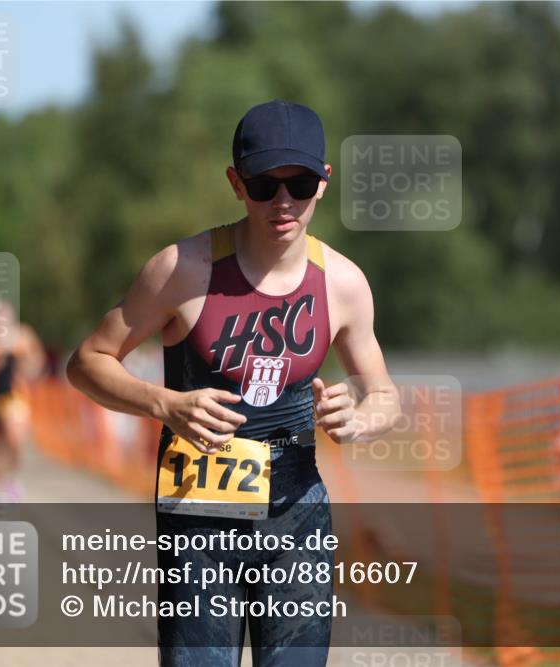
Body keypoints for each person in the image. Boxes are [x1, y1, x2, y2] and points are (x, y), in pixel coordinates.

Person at [66, 99, 401, 666]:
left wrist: (364, 416)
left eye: (298, 182)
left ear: (324, 181)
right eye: (264, 183)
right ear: (235, 183)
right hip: (197, 514)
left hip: (298, 514)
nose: (282, 201)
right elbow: (87, 362)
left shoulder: (343, 283)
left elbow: (386, 394)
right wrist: (164, 403)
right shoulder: (180, 270)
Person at [0, 298, 45, 501]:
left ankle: (12, 479)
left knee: (15, 438)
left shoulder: (23, 335)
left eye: (3, 314)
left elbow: (37, 361)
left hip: (16, 395)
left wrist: (27, 366)